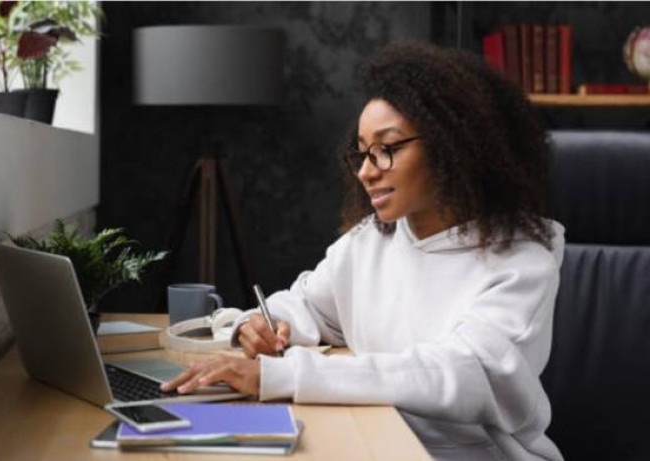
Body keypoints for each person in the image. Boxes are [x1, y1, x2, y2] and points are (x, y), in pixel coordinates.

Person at [161, 41, 565, 460]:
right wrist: (267, 322)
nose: (366, 172)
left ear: (453, 146)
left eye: (387, 150)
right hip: (375, 442)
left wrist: (282, 374)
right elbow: (310, 305)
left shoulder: (521, 262)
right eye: (363, 153)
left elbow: (458, 372)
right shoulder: (374, 238)